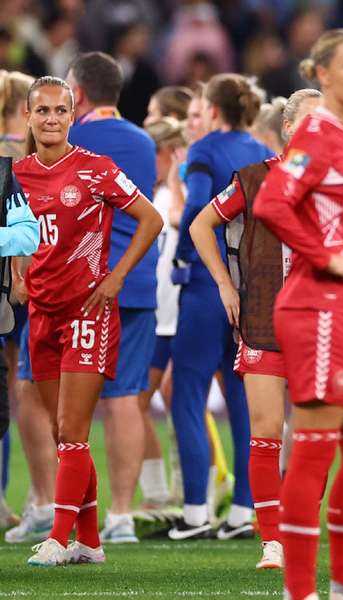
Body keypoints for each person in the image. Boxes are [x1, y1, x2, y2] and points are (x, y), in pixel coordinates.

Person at [252, 28, 343, 600]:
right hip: (316, 308)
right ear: (321, 74)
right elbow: (271, 201)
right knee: (315, 450)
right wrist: (324, 254)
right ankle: (301, 590)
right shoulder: (316, 133)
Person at [16, 76, 161, 566]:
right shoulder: (16, 177)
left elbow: (152, 218)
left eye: (60, 111)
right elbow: (17, 237)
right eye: (43, 111)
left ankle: (58, 537)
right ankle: (91, 541)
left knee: (71, 430)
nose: (51, 119)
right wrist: (18, 273)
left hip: (88, 311)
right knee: (64, 434)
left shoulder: (96, 170)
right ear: (28, 118)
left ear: (72, 116)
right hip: (41, 314)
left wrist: (117, 276)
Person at [188, 88, 321, 570]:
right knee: (266, 433)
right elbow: (201, 225)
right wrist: (225, 283)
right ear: (287, 128)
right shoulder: (253, 179)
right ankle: (272, 541)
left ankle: (300, 530)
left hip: (318, 329)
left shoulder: (340, 186)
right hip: (263, 319)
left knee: (312, 440)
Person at [168, 73, 271, 541]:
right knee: (241, 399)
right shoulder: (258, 150)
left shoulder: (204, 149)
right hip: (248, 287)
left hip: (207, 284)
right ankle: (243, 512)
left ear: (211, 109)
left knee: (187, 395)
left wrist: (177, 211)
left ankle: (194, 513)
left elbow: (196, 211)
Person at [64, 51, 161, 544]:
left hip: (84, 286)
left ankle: (49, 507)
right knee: (126, 398)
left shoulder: (73, 139)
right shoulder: (144, 142)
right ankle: (122, 515)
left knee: (56, 401)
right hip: (138, 282)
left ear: (76, 95)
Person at [136, 117, 188, 513]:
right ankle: (168, 493)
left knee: (148, 402)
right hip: (163, 314)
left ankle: (181, 493)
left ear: (167, 153)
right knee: (154, 402)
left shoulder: (176, 195)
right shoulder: (156, 193)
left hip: (172, 315)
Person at [0, 68, 35, 529]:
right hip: (29, 283)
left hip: (14, 284)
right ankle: (28, 500)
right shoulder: (25, 151)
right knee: (18, 390)